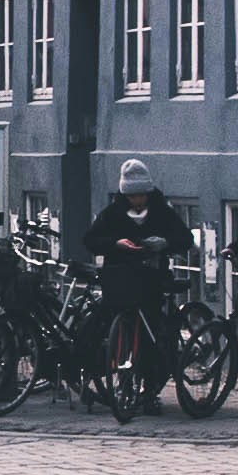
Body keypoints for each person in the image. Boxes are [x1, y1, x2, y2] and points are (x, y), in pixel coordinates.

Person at [79, 163, 190, 389]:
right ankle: (116, 375)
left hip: (151, 278)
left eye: (140, 195)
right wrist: (115, 244)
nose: (137, 201)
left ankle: (151, 389)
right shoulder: (113, 213)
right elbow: (91, 240)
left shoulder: (162, 212)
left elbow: (185, 238)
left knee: (151, 333)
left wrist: (165, 243)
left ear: (148, 192)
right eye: (131, 196)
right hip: (121, 279)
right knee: (109, 326)